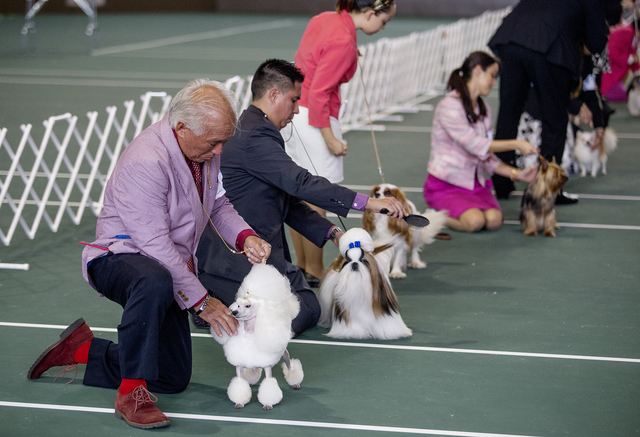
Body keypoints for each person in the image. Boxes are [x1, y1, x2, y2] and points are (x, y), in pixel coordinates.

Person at [26, 79, 271, 429]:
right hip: (118, 257)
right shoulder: (146, 159)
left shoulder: (201, 151)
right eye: (214, 142)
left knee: (171, 376)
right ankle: (130, 393)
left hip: (166, 266)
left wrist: (245, 236)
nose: (220, 151)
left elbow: (218, 204)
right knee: (154, 279)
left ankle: (81, 350)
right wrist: (202, 302)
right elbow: (155, 245)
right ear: (182, 127)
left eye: (224, 141)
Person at [196, 59, 407, 334]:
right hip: (237, 259)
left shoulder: (253, 128)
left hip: (231, 256)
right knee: (307, 309)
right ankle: (226, 310)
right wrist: (367, 203)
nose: (297, 110)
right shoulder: (256, 135)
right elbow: (300, 182)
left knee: (304, 300)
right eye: (294, 100)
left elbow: (288, 204)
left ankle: (222, 304)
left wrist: (335, 235)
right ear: (273, 94)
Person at [284, 0, 396, 285]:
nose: (382, 28)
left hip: (297, 114)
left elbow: (307, 62)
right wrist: (330, 138)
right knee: (316, 197)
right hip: (315, 118)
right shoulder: (344, 40)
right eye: (383, 22)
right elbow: (321, 91)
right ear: (371, 13)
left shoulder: (325, 18)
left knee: (300, 193)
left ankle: (304, 265)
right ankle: (315, 269)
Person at [488, 0, 610, 202]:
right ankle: (548, 191)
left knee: (508, 115)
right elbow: (596, 43)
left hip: (511, 38)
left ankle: (502, 183)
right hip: (550, 45)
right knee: (555, 120)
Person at [424, 52, 539, 233]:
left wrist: (517, 174)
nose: (494, 82)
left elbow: (486, 156)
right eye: (492, 76)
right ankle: (433, 216)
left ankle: (447, 213)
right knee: (475, 222)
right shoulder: (449, 105)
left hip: (473, 183)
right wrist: (516, 144)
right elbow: (474, 144)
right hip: (446, 183)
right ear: (478, 71)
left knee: (494, 220)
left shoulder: (484, 109)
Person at [601, 20, 640, 101]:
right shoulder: (624, 33)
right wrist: (632, 58)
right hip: (612, 79)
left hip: (622, 77)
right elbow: (612, 54)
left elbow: (634, 58)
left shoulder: (634, 35)